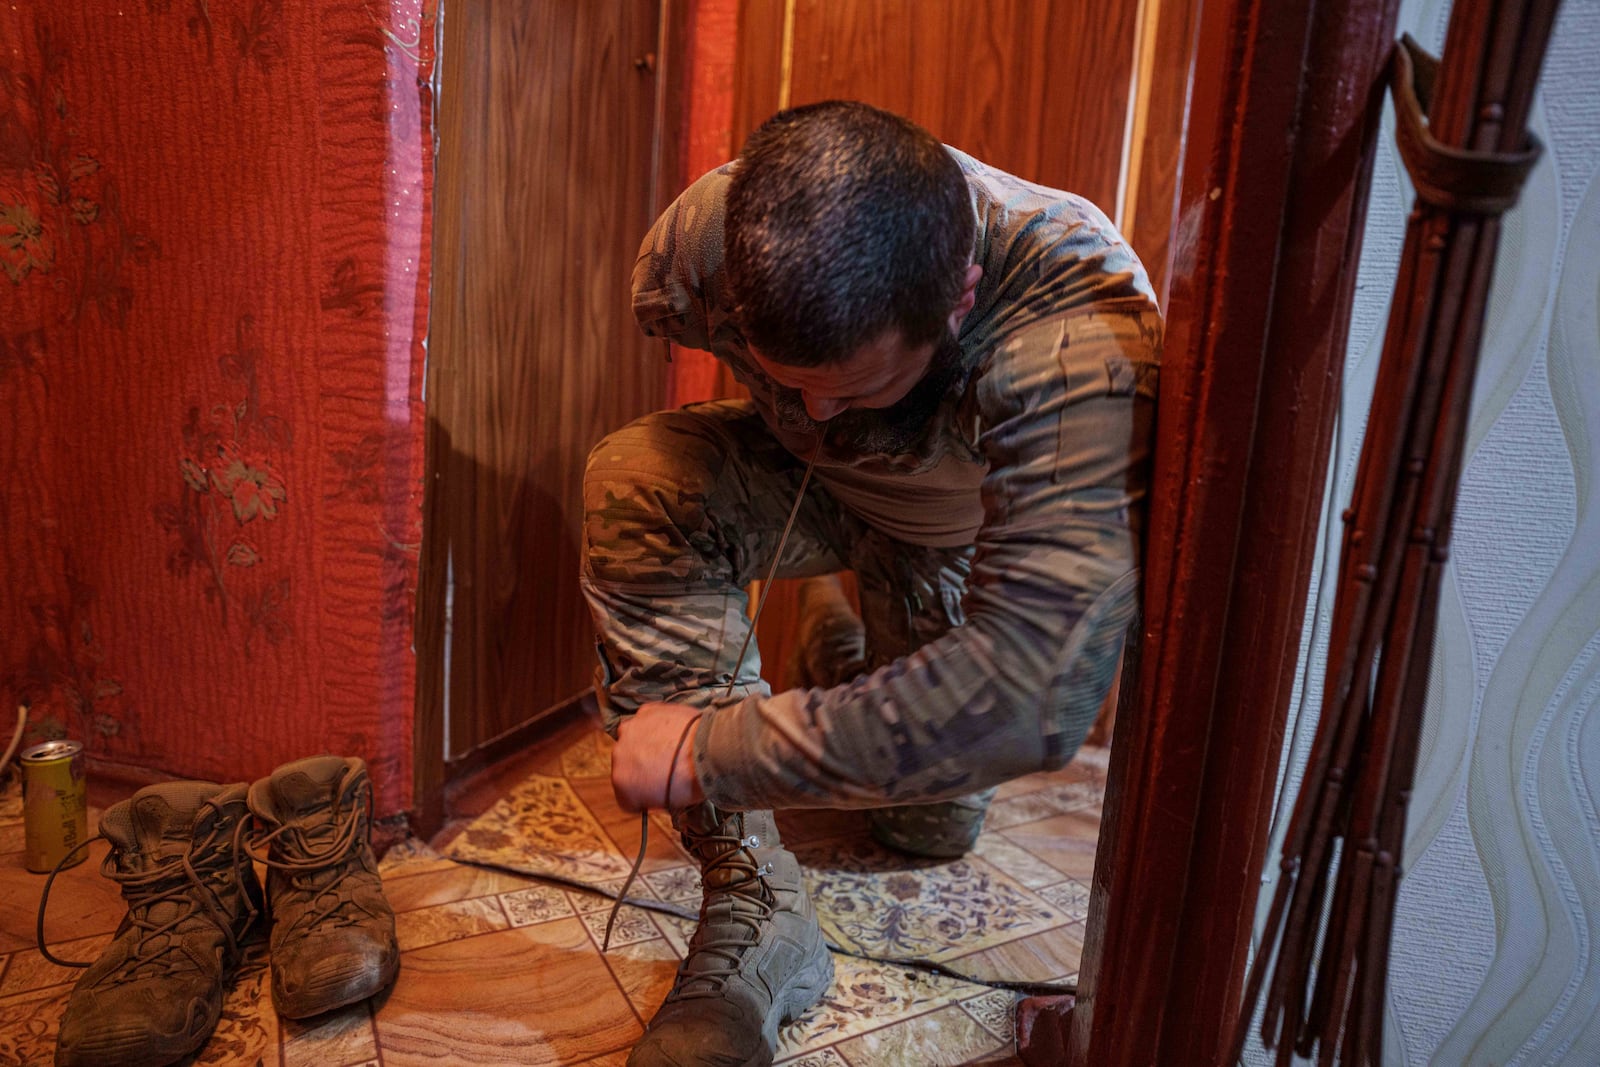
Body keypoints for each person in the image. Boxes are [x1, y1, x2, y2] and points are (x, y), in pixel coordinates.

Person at [584, 100, 1160, 1067]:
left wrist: (714, 744)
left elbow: (1033, 690)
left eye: (854, 388)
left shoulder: (1078, 318)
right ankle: (758, 915)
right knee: (639, 473)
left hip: (955, 534)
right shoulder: (699, 244)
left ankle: (839, 640)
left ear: (961, 297)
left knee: (925, 828)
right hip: (807, 493)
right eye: (789, 378)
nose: (818, 409)